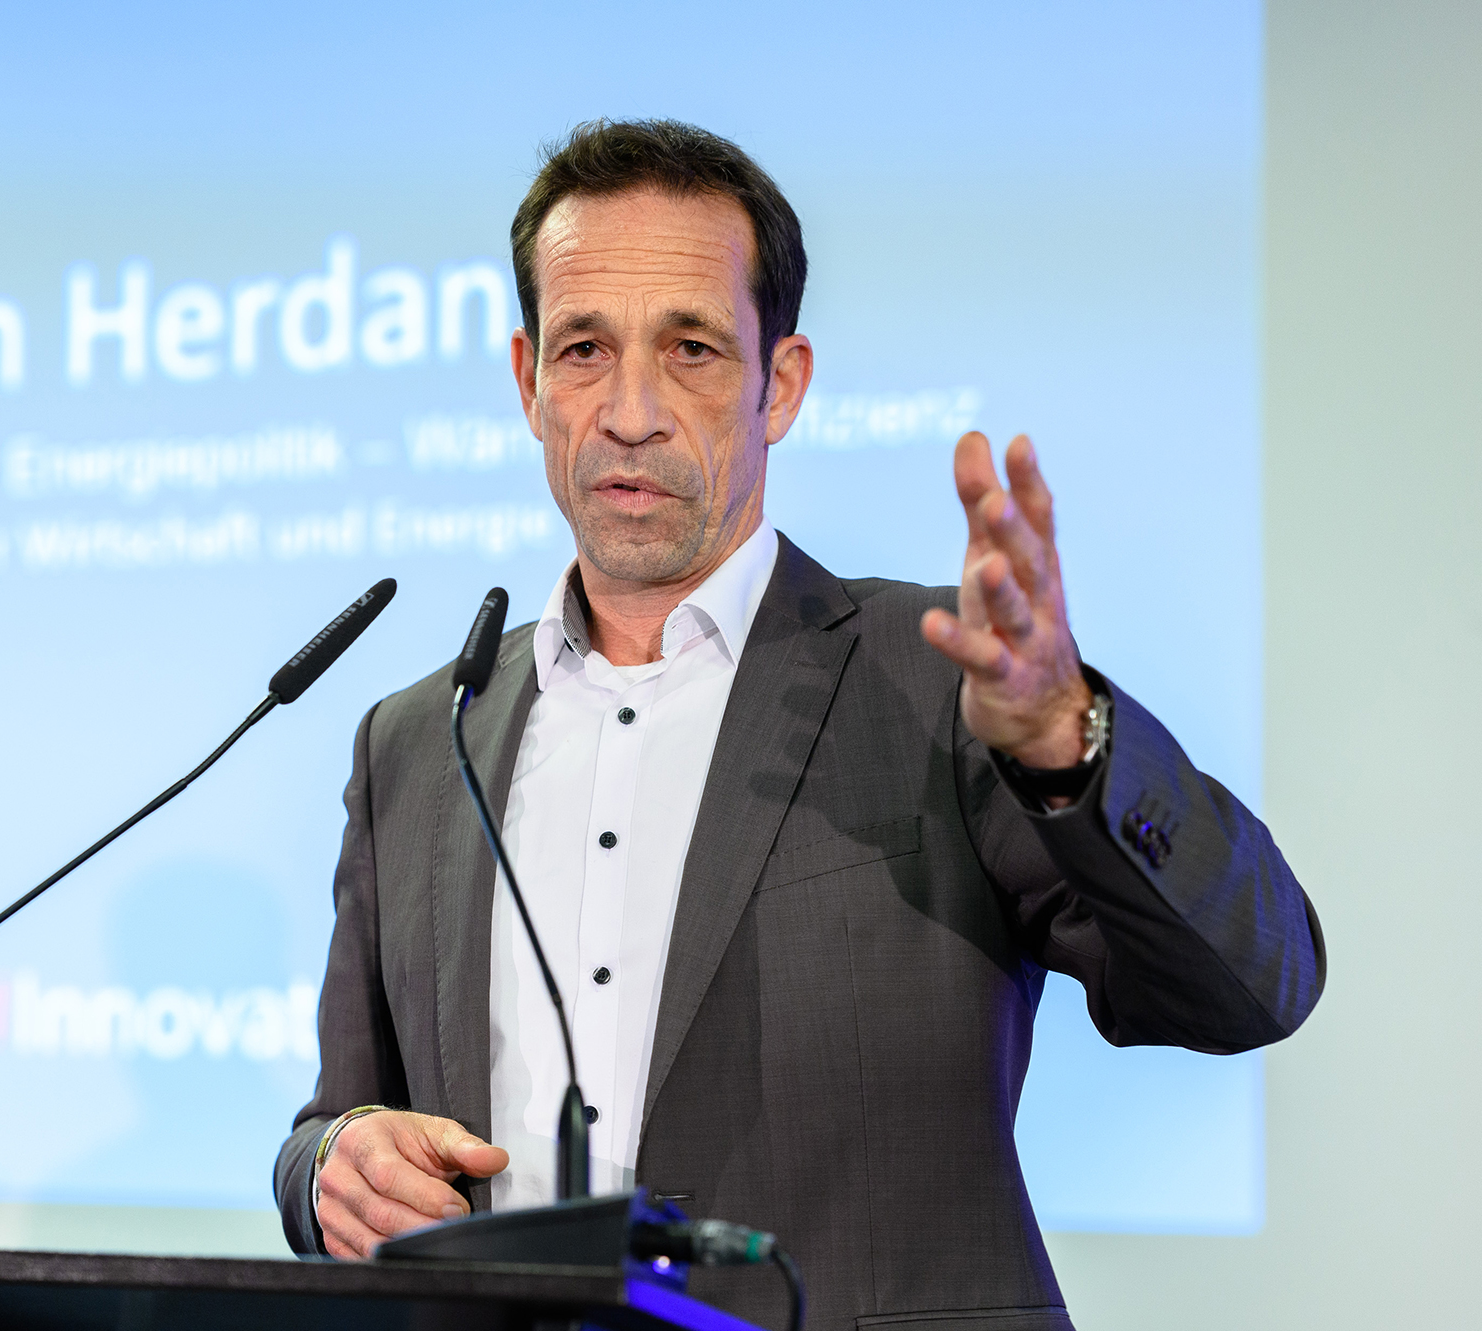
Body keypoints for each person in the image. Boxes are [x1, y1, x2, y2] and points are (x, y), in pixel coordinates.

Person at [273, 119, 1323, 1331]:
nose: (628, 411)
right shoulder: (416, 741)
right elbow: (333, 1124)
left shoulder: (934, 680)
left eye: (690, 348)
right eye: (583, 348)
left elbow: (1251, 985)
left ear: (779, 384)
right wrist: (330, 1166)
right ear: (527, 382)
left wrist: (1062, 739)